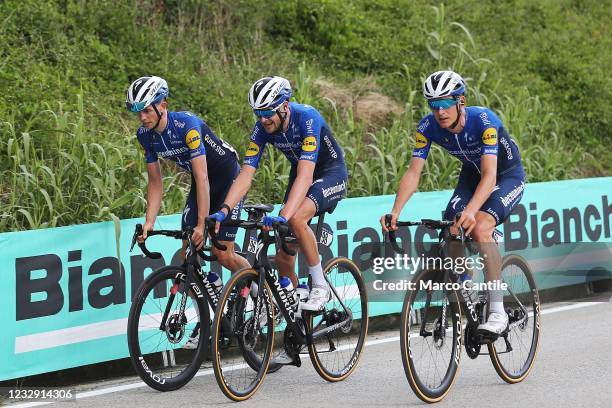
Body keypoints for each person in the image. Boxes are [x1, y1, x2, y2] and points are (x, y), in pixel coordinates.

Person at [381, 70, 526, 334]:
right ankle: (465, 280)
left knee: (480, 227)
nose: (440, 111)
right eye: (433, 104)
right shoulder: (427, 127)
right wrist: (395, 211)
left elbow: (491, 175)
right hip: (471, 175)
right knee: (450, 231)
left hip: (506, 176)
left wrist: (472, 212)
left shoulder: (484, 121)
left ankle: (497, 310)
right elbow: (414, 172)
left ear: (460, 101)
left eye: (446, 103)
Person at [126, 75, 251, 347]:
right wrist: (149, 221)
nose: (143, 118)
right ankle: (209, 314)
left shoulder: (187, 126)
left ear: (163, 105)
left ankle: (256, 292)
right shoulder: (145, 136)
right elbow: (155, 182)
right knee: (187, 254)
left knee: (223, 253)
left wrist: (202, 224)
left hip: (226, 177)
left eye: (147, 110)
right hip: (201, 182)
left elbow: (203, 176)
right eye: (138, 112)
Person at [209, 76, 348, 312]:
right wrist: (224, 210)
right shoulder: (262, 128)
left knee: (295, 218)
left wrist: (284, 215)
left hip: (330, 172)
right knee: (284, 258)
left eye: (267, 112)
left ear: (285, 106)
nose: (263, 119)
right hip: (301, 172)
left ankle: (320, 285)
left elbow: (306, 176)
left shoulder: (307, 119)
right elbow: (245, 174)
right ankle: (295, 324)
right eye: (258, 113)